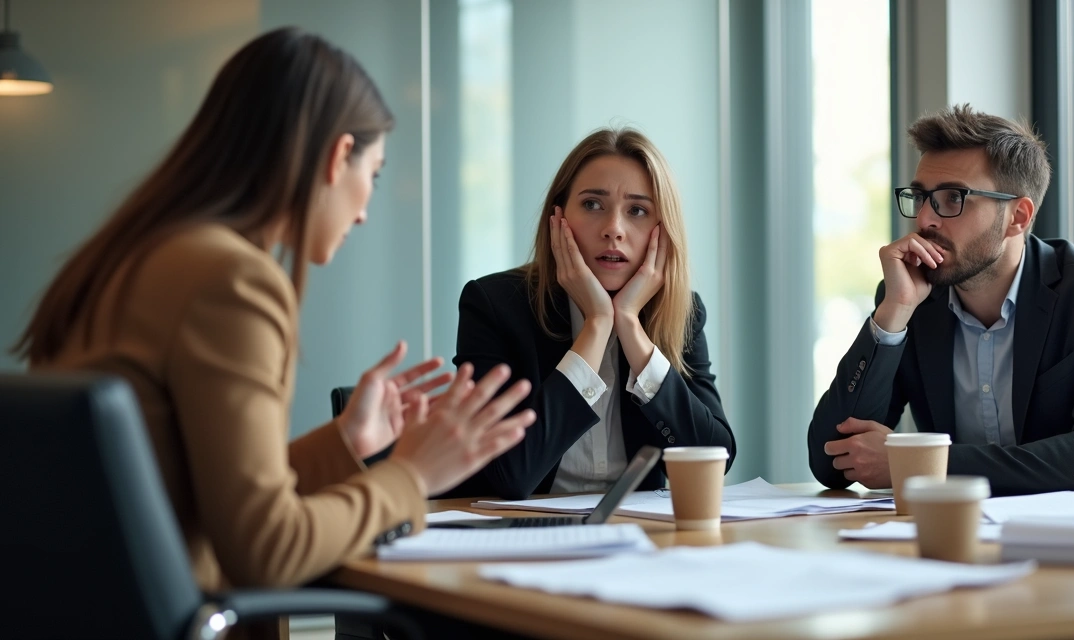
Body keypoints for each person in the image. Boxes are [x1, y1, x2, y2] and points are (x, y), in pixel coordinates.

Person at [12, 27, 536, 597]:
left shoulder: (123, 260)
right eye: (375, 174)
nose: (364, 213)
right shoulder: (233, 280)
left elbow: (192, 493)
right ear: (338, 157)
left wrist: (345, 444)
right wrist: (412, 476)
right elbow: (267, 550)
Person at [807, 104, 1074, 503]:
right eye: (921, 197)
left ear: (1018, 216)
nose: (926, 219)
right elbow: (831, 461)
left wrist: (922, 464)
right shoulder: (911, 300)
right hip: (965, 539)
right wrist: (892, 317)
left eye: (952, 198)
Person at [450, 127, 735, 500]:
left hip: (642, 536)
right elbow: (509, 475)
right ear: (558, 218)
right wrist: (597, 326)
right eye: (592, 205)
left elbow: (714, 457)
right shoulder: (493, 304)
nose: (614, 229)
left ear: (661, 232)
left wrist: (630, 327)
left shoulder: (682, 311)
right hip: (521, 538)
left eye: (637, 210)